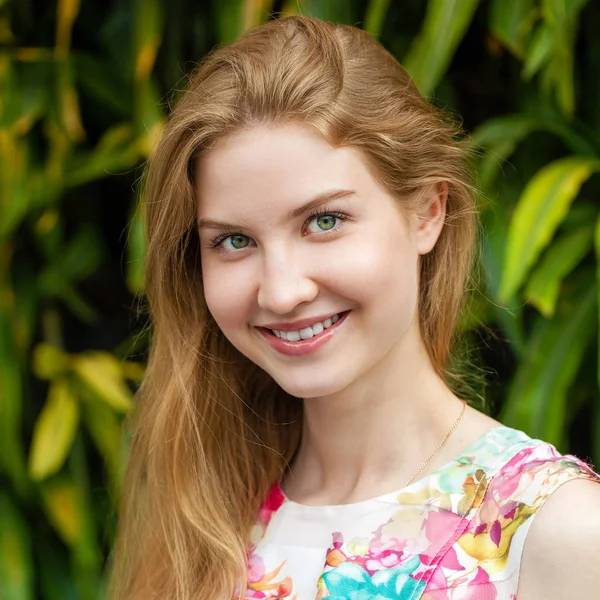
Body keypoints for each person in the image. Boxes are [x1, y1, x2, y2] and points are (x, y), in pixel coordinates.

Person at [109, 15, 600, 600]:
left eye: (324, 221)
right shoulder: (206, 513)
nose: (282, 291)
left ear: (426, 212)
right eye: (234, 241)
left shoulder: (555, 531)